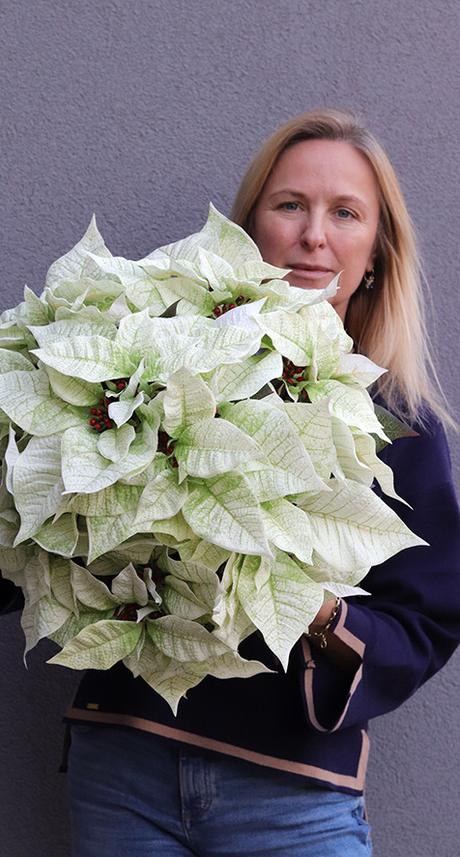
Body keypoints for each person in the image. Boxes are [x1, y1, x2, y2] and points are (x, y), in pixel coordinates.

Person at [64, 108, 460, 855]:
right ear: (249, 230)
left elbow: (428, 622)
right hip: (124, 772)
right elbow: (42, 515)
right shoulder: (152, 356)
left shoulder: (401, 422)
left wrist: (320, 614)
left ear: (374, 252)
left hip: (293, 800)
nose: (315, 233)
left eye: (345, 212)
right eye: (290, 205)